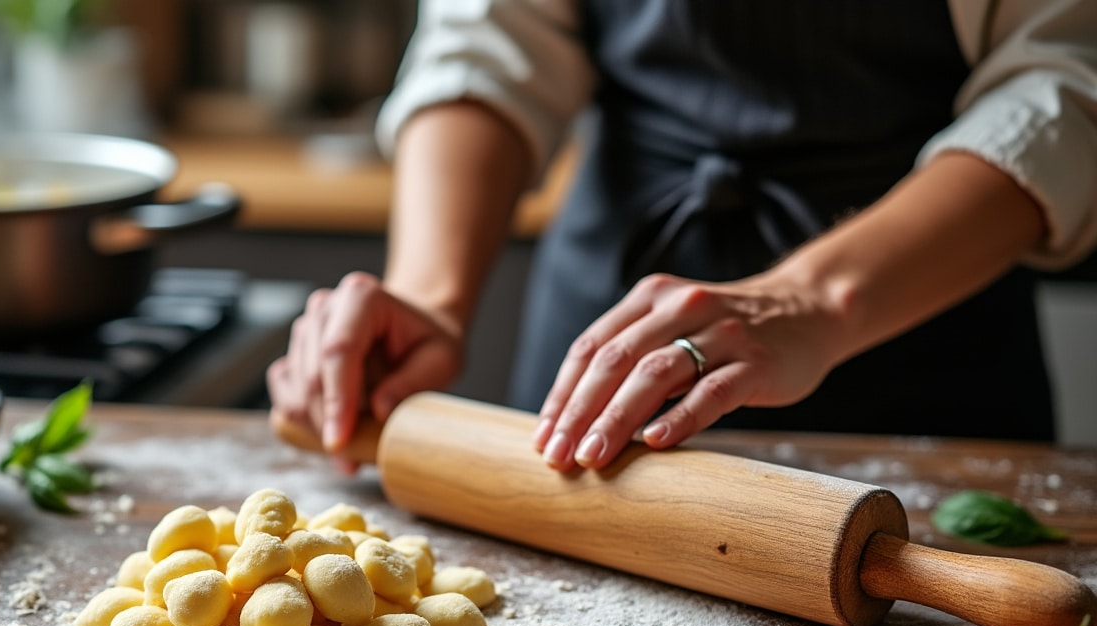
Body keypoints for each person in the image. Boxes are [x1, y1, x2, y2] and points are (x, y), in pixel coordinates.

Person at [266, 0, 1097, 475]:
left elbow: (1063, 78)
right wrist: (429, 296)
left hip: (922, 318)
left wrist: (812, 298)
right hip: (604, 329)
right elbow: (491, 35)